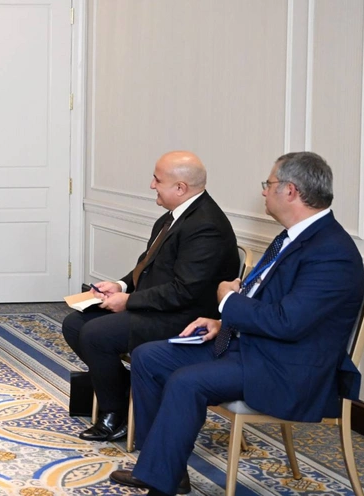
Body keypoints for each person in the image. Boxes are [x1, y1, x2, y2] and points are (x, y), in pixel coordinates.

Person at [111, 152, 364, 495]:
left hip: (288, 367)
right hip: (254, 347)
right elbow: (272, 305)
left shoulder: (332, 252)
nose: (264, 191)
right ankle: (163, 467)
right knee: (149, 357)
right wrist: (222, 322)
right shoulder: (292, 237)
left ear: (290, 191)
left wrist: (227, 302)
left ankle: (160, 480)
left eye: (269, 184)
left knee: (187, 381)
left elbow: (288, 322)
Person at [62, 151, 239, 442]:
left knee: (96, 334)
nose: (151, 185)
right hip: (160, 307)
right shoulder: (173, 217)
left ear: (180, 188)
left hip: (185, 318)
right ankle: (126, 393)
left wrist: (128, 302)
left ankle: (114, 413)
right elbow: (147, 266)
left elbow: (185, 291)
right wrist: (121, 286)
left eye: (157, 180)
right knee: (74, 324)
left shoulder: (206, 226)